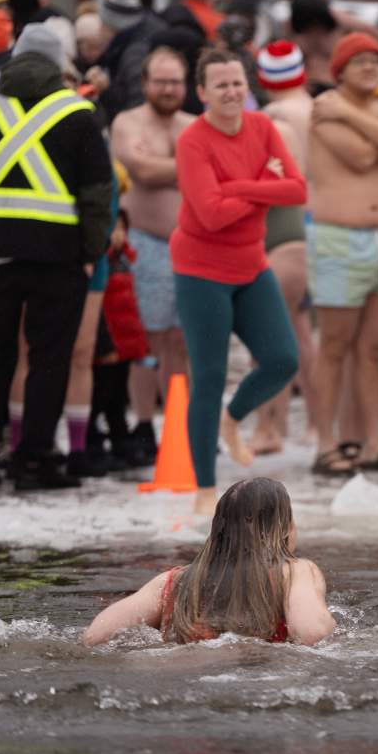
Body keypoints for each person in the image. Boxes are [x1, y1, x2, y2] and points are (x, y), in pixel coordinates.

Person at [0, 25, 113, 490]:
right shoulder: (79, 112)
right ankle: (34, 458)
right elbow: (99, 193)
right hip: (60, 259)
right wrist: (90, 251)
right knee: (49, 358)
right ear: (59, 62)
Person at [171, 48, 304, 515]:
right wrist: (261, 184)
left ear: (247, 86)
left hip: (251, 264)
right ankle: (204, 489)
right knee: (207, 375)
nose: (231, 91)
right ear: (202, 91)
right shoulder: (193, 141)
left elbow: (297, 190)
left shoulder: (263, 128)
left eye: (237, 82)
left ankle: (232, 419)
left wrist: (237, 187)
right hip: (200, 269)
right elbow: (209, 215)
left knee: (284, 359)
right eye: (220, 84)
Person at [307, 33, 378, 476]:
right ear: (339, 70)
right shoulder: (324, 109)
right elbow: (361, 155)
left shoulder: (364, 108)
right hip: (339, 240)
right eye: (359, 61)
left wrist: (364, 117)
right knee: (334, 346)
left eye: (376, 59)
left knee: (373, 348)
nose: (370, 67)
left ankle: (373, 443)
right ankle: (326, 443)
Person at [82, 478, 337, 646]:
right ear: (284, 528)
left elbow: (95, 636)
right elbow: (312, 633)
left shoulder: (173, 581)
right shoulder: (295, 572)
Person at [110, 46, 195, 468]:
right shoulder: (127, 121)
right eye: (160, 81)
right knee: (145, 340)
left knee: (185, 342)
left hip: (193, 246)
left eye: (175, 81)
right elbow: (139, 172)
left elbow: (213, 172)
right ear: (145, 83)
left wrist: (160, 162)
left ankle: (184, 427)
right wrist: (188, 162)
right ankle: (143, 425)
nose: (168, 89)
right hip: (145, 244)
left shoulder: (195, 123)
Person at [245, 40, 320, 456]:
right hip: (312, 226)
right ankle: (311, 422)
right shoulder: (315, 109)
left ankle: (267, 428)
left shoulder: (275, 117)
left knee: (268, 334)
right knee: (302, 333)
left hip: (282, 226)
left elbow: (276, 183)